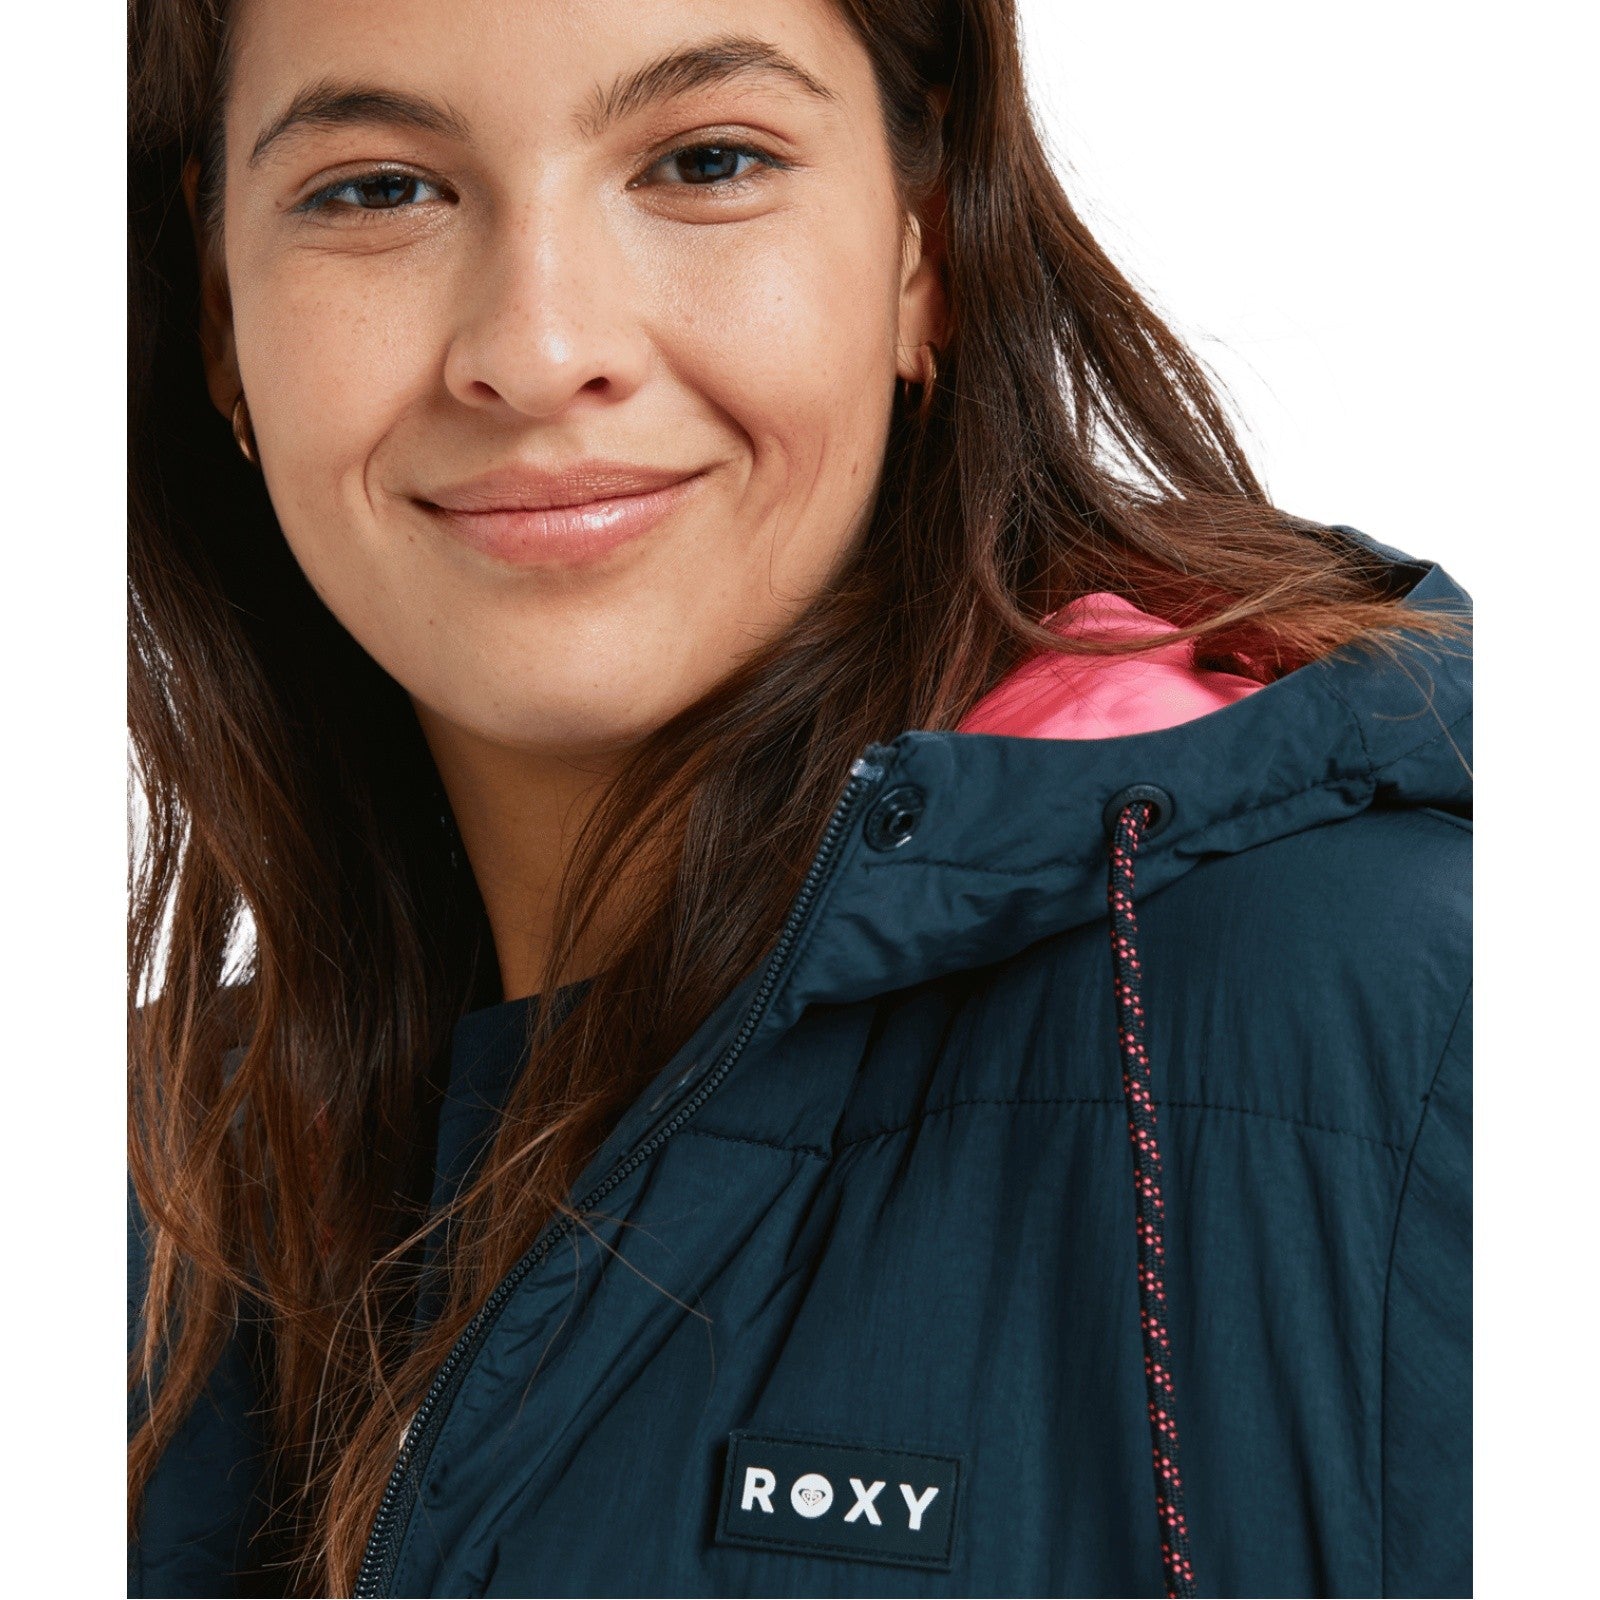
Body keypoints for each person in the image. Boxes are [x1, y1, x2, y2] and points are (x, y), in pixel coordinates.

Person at [126, 1, 1472, 1595]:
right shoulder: (144, 1186)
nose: (540, 350)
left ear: (925, 249)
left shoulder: (1410, 1026)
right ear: (220, 307)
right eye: (377, 189)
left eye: (706, 161)